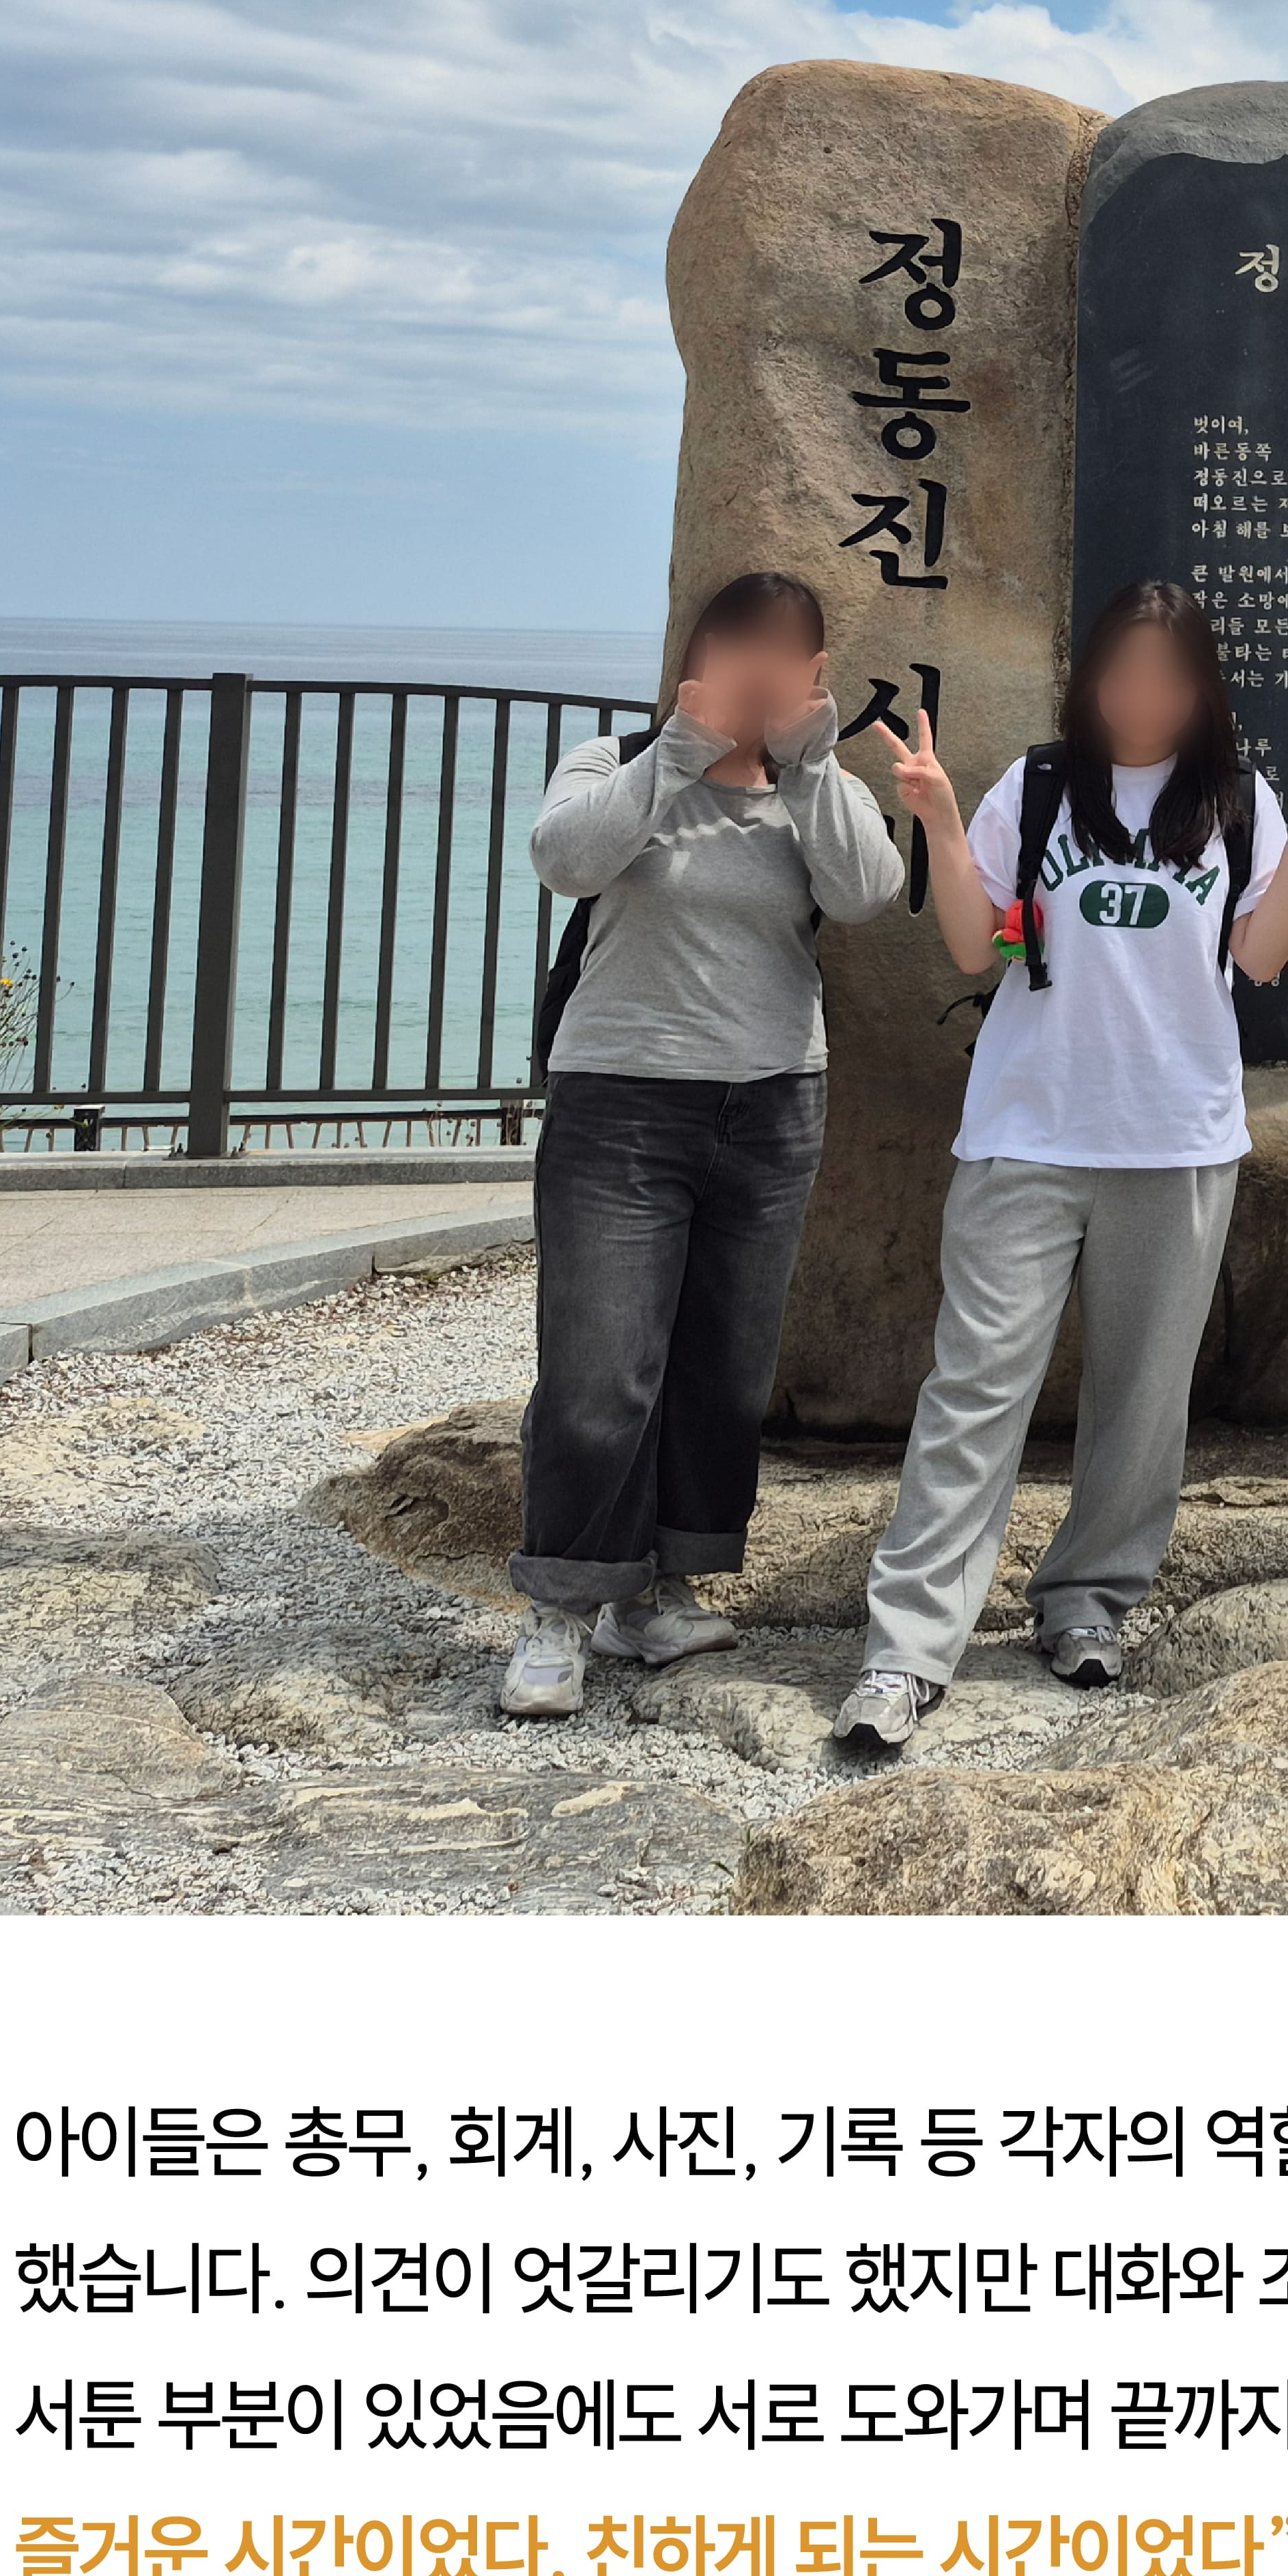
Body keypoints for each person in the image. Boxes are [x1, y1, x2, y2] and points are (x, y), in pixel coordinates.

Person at [832, 582, 1288, 1744]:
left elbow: (1262, 958)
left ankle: (1086, 1602)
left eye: (1170, 675)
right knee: (976, 1386)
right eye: (1125, 671)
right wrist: (939, 818)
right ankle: (907, 1649)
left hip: (1176, 1140)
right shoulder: (1038, 786)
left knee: (1141, 1397)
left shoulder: (1236, 800)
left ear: (1203, 689)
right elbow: (973, 943)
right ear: (1092, 678)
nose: (1144, 696)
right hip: (1027, 1130)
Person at [499, 570, 906, 1717]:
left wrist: (810, 762)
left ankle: (656, 1593)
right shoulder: (618, 759)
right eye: (739, 646)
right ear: (697, 656)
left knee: (721, 1368)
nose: (758, 669)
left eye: (785, 653)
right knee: (599, 1366)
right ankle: (561, 1606)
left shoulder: (816, 790)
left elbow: (868, 892)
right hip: (620, 1104)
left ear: (814, 673)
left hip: (772, 1107)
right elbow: (565, 859)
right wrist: (681, 750)